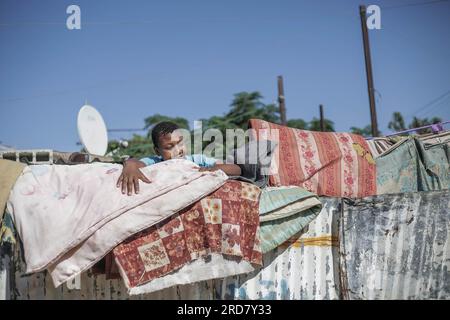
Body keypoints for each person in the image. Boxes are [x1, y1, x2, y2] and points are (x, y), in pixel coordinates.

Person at [116, 121, 241, 195]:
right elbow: (136, 163)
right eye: (169, 147)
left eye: (180, 143)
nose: (178, 150)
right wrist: (130, 166)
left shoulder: (196, 160)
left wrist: (208, 169)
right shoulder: (155, 162)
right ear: (157, 151)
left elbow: (235, 169)